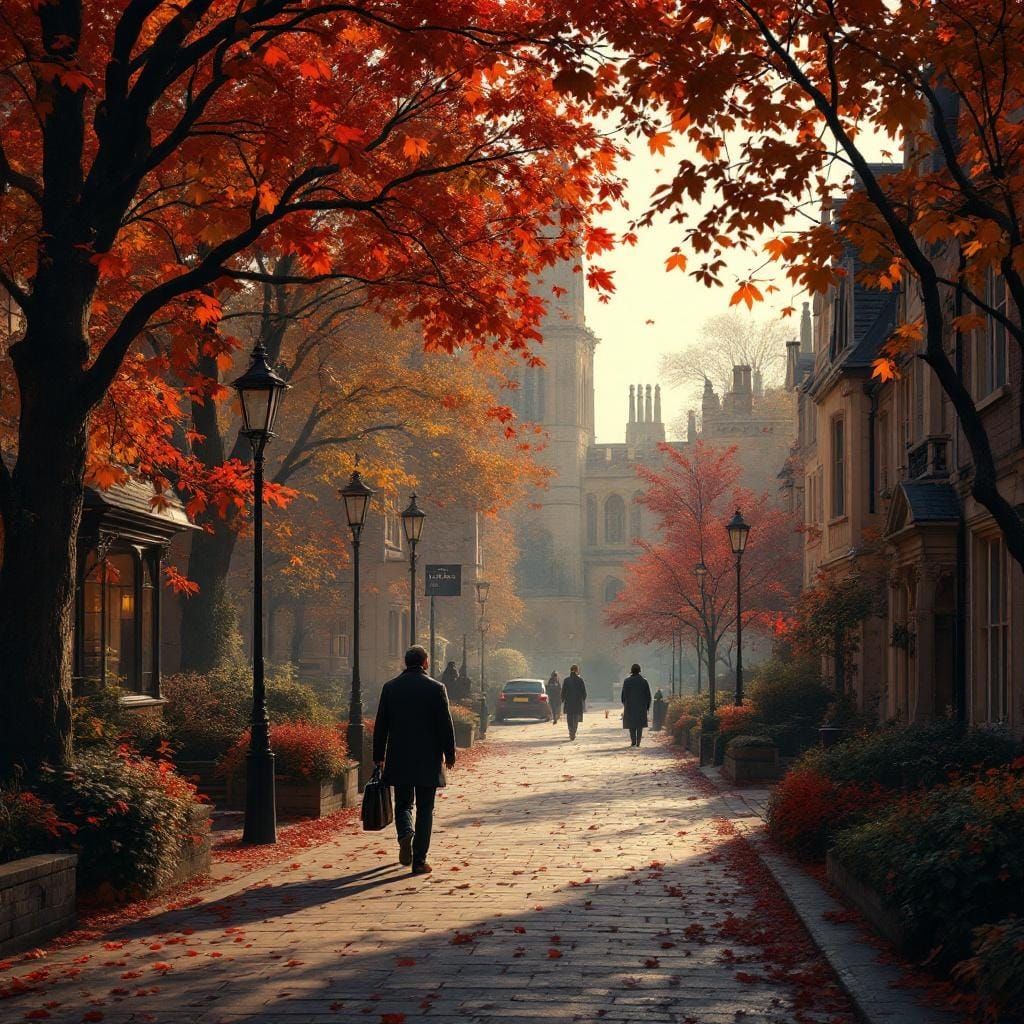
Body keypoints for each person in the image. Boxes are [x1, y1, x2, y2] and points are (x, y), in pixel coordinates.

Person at [373, 646, 456, 876]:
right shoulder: (436, 688)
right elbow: (444, 724)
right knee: (426, 809)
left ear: (405, 662)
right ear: (425, 663)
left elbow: (382, 725)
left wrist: (378, 755)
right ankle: (419, 860)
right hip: (428, 758)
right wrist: (449, 753)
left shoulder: (390, 688)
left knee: (403, 804)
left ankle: (404, 832)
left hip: (399, 756)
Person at [621, 663, 652, 747]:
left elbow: (623, 695)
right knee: (639, 725)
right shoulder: (644, 681)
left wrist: (625, 704)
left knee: (631, 724)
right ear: (639, 671)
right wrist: (647, 706)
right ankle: (638, 741)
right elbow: (648, 696)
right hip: (641, 706)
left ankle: (633, 741)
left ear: (631, 671)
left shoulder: (627, 681)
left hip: (630, 706)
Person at [562, 665, 587, 740]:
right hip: (577, 702)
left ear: (570, 670)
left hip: (569, 702)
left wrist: (563, 699)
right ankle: (573, 732)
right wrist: (583, 699)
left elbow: (563, 692)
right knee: (576, 718)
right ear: (577, 670)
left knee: (569, 718)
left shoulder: (566, 680)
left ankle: (571, 732)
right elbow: (584, 693)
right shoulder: (580, 680)